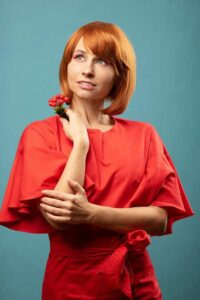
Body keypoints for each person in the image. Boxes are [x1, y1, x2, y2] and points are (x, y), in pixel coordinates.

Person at [0, 21, 194, 300]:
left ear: (119, 74)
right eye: (79, 57)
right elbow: (59, 219)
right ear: (67, 65)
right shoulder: (39, 134)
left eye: (101, 61)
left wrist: (92, 214)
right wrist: (80, 144)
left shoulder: (145, 135)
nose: (87, 69)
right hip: (70, 283)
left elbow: (160, 220)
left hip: (137, 279)